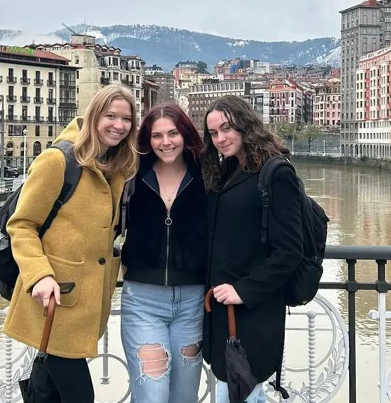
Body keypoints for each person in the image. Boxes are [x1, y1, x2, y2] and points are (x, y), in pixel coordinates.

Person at [2, 85, 139, 403]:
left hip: (85, 302)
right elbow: (21, 225)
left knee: (51, 394)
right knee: (81, 397)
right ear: (93, 116)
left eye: (126, 119)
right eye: (110, 116)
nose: (119, 125)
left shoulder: (115, 167)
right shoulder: (57, 160)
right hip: (56, 298)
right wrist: (39, 275)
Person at [201, 95, 303, 403]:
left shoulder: (275, 173)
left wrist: (244, 290)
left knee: (236, 391)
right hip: (224, 312)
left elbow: (289, 251)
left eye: (227, 129)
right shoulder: (229, 169)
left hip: (252, 312)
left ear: (246, 125)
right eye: (213, 133)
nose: (220, 139)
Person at [120, 103, 207, 403]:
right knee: (151, 396)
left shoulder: (207, 175)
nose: (166, 142)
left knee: (184, 397)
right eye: (157, 136)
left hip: (193, 301)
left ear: (185, 134)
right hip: (143, 301)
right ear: (147, 139)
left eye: (173, 133)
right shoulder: (131, 174)